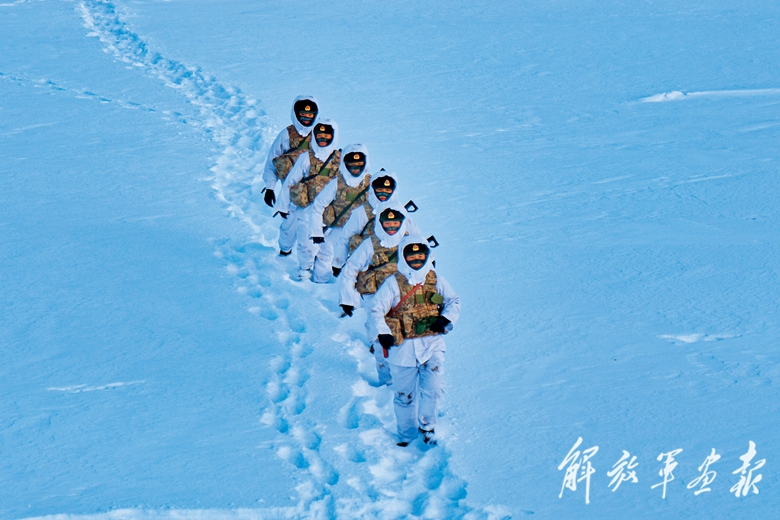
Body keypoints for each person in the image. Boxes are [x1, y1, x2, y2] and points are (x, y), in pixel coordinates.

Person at [370, 234, 460, 446]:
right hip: (402, 349)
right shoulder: (393, 283)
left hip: (432, 344)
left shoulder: (435, 279)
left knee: (433, 388)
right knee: (404, 396)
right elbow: (376, 310)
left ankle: (427, 427)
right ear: (403, 256)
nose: (417, 260)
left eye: (421, 255)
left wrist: (446, 318)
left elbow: (453, 300)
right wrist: (383, 332)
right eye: (411, 256)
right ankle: (406, 436)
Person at [339, 204, 417, 386]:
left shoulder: (411, 242)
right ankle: (387, 381)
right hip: (374, 297)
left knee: (406, 336)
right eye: (387, 223)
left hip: (402, 297)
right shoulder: (370, 244)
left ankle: (406, 377)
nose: (392, 227)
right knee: (379, 338)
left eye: (396, 223)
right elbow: (351, 269)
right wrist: (347, 299)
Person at [275, 119, 341, 279]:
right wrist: (283, 206)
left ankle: (322, 278)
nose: (323, 138)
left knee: (326, 249)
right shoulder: (306, 158)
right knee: (306, 245)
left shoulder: (341, 159)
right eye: (319, 134)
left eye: (327, 135)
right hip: (307, 210)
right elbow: (291, 181)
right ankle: (305, 269)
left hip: (330, 212)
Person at [259, 96, 318, 256]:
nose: (306, 118)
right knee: (288, 227)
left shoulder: (320, 134)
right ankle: (285, 253)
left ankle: (310, 261)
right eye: (303, 115)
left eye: (310, 115)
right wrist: (270, 187)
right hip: (290, 191)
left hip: (314, 192)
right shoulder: (286, 135)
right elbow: (272, 161)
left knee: (312, 228)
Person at [331, 170, 419, 274]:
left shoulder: (400, 211)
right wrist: (338, 262)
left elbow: (415, 236)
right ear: (373, 190)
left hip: (395, 260)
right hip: (369, 260)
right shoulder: (362, 212)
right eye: (380, 189)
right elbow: (346, 236)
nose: (383, 193)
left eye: (388, 190)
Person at [306, 144, 372, 283]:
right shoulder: (337, 183)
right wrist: (316, 232)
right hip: (338, 227)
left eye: (359, 164)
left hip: (361, 232)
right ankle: (319, 285)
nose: (355, 168)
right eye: (351, 164)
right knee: (327, 253)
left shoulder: (372, 184)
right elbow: (318, 205)